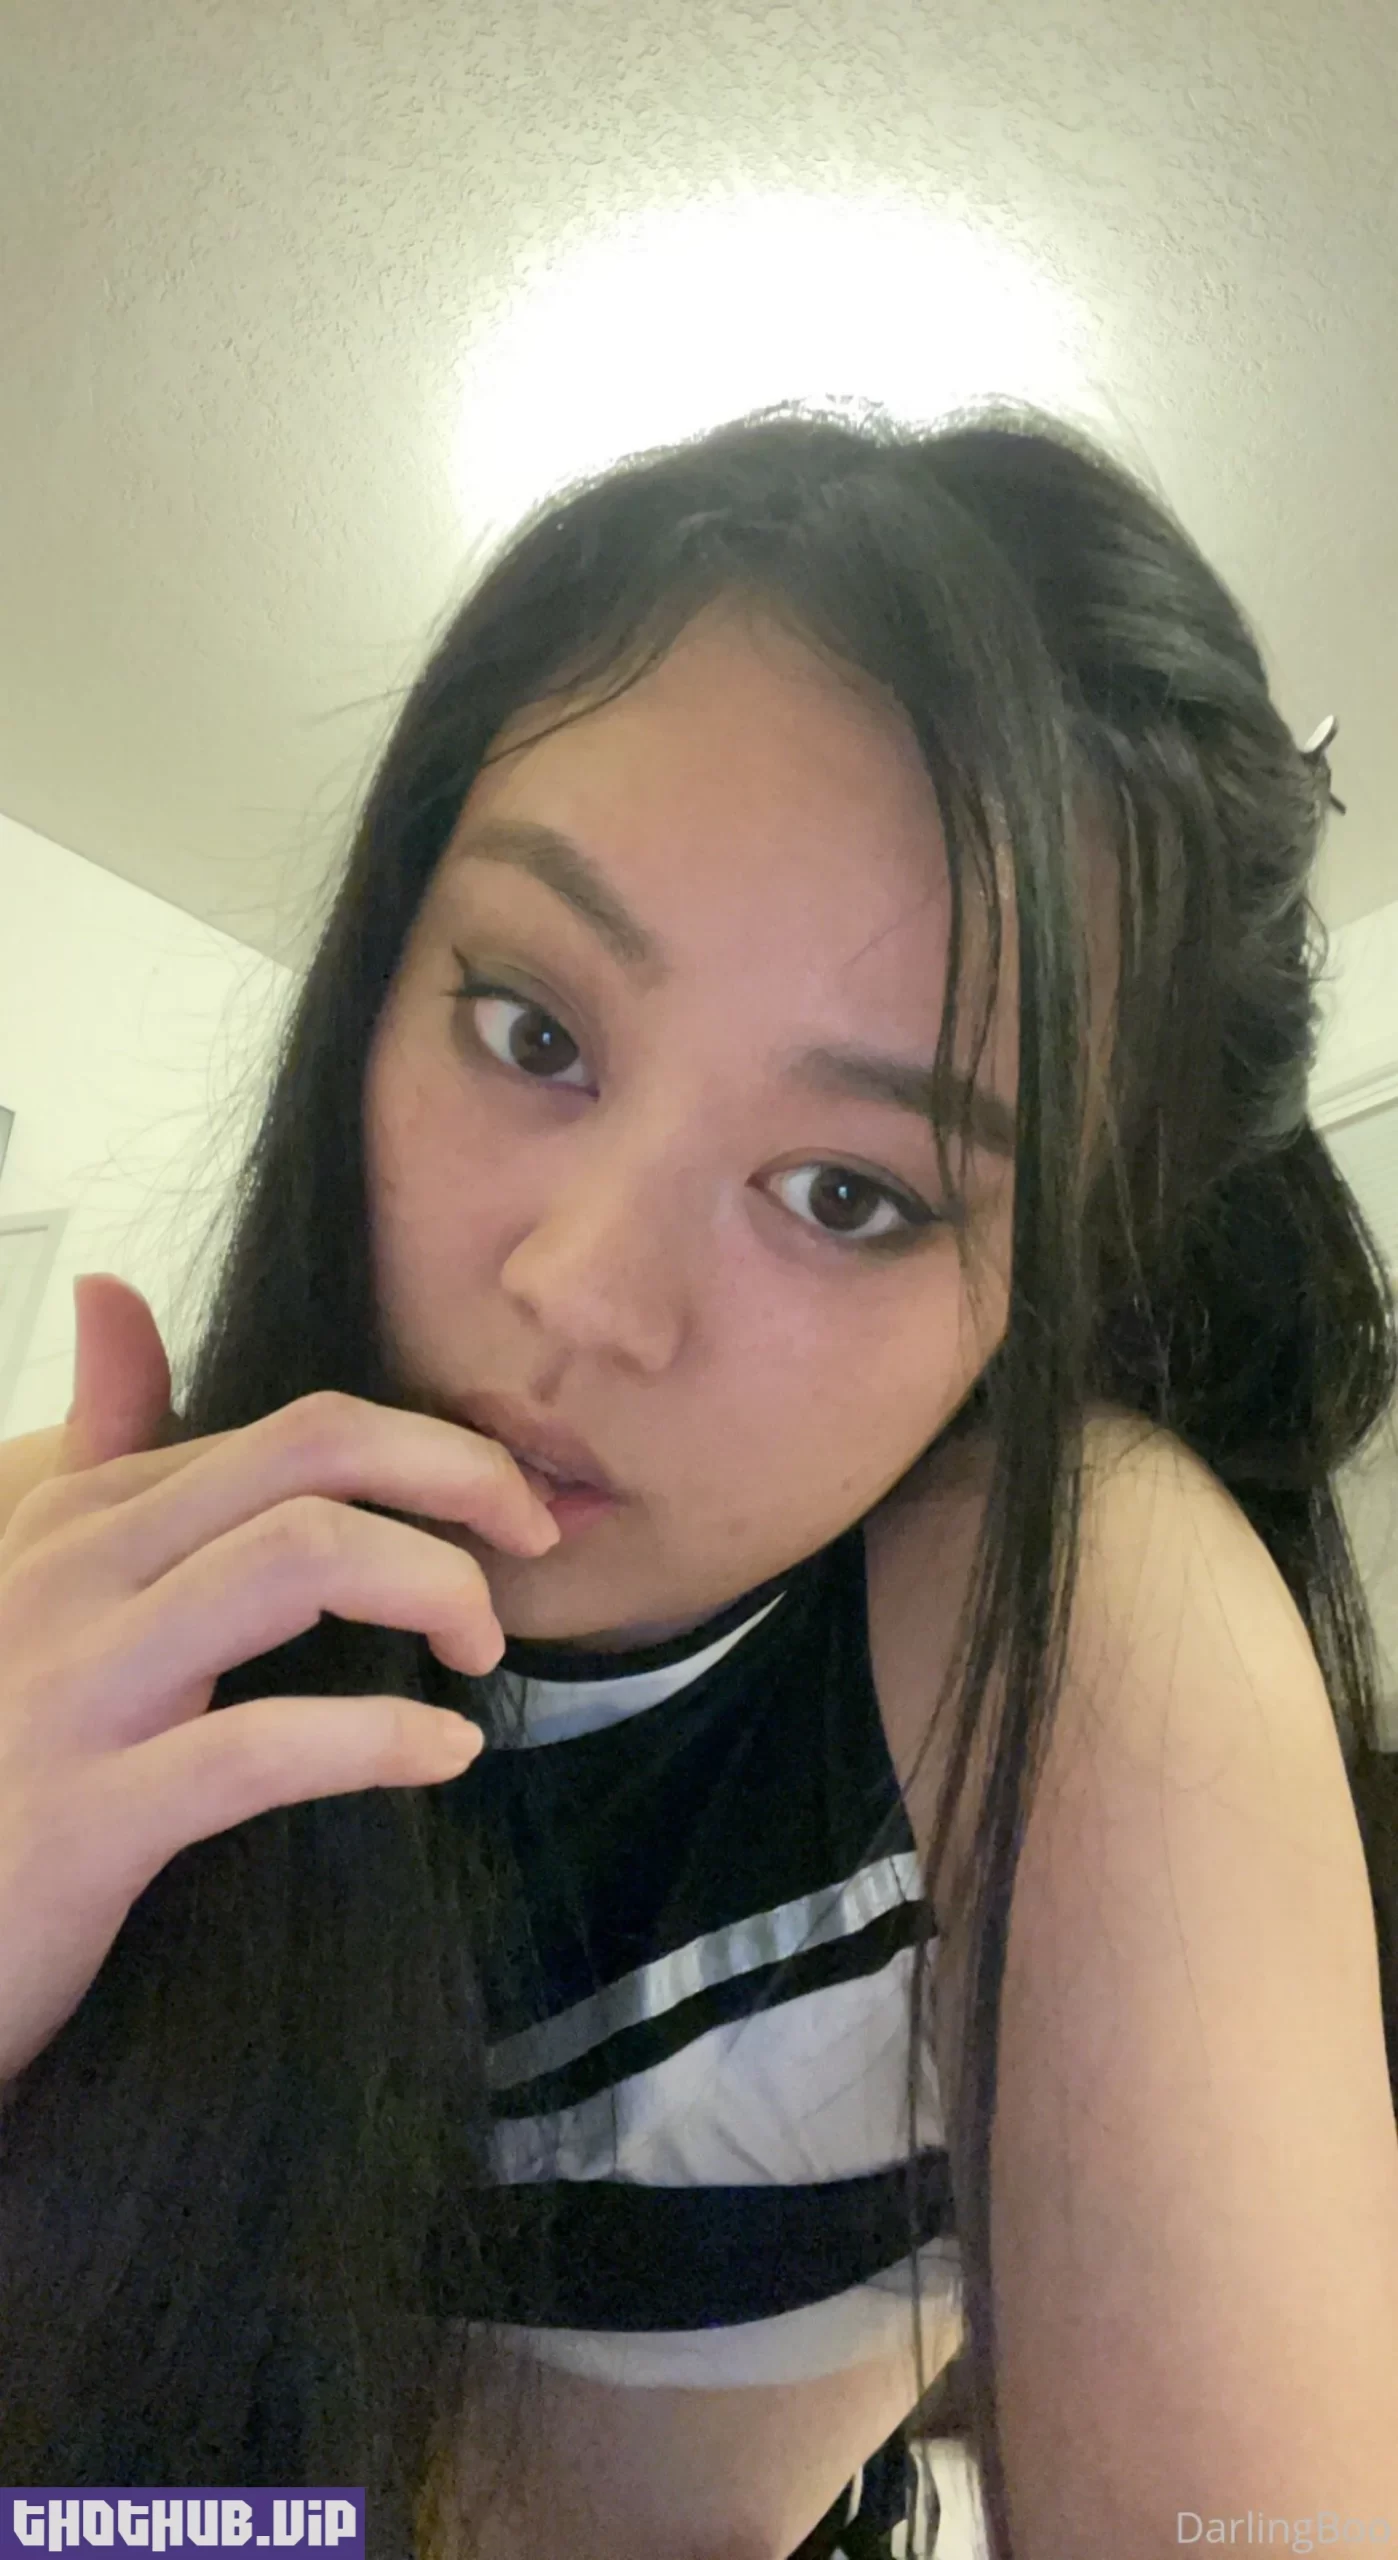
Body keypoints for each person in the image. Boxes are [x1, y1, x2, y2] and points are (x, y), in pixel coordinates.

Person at [0, 397, 1395, 2560]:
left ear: (1041, 1298)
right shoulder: (72, 1588)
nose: (582, 1291)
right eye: (532, 1029)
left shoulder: (1047, 1613)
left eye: (847, 1192)